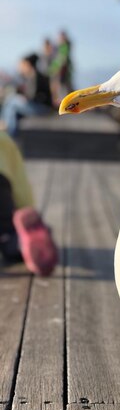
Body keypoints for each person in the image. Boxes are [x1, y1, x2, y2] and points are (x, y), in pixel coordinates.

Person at [0, 130, 57, 276]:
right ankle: (22, 238)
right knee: (7, 234)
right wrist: (25, 208)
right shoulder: (4, 139)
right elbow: (21, 188)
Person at [0, 53, 53, 137]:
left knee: (12, 102)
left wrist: (21, 95)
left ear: (28, 64)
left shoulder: (35, 76)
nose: (20, 67)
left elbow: (31, 96)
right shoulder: (32, 76)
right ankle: (10, 134)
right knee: (14, 110)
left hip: (42, 108)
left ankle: (7, 131)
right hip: (39, 106)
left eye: (22, 64)